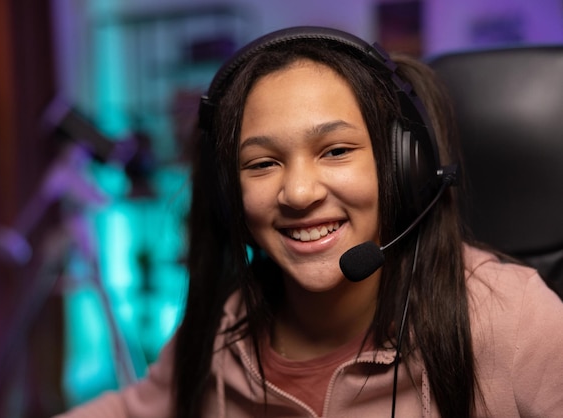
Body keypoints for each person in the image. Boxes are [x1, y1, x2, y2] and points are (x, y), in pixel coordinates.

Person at [55, 26, 563, 418]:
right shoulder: (220, 328)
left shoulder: (511, 319)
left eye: (336, 151)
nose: (298, 193)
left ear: (402, 166)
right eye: (262, 163)